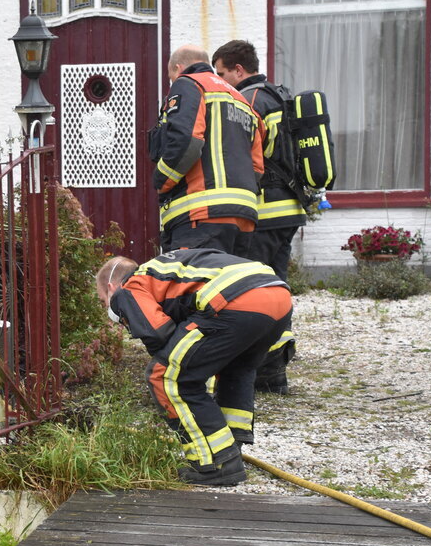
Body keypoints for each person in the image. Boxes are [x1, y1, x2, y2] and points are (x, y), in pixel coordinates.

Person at [95, 248, 292, 486]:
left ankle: (215, 464)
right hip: (277, 296)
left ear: (111, 287)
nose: (106, 307)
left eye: (102, 300)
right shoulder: (166, 270)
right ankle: (231, 447)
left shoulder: (129, 288)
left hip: (234, 300)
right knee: (235, 369)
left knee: (167, 376)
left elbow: (157, 334)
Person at [211, 40, 303, 395]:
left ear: (238, 70)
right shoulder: (278, 96)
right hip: (290, 208)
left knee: (256, 292)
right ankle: (275, 370)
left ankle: (264, 371)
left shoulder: (247, 101)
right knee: (277, 287)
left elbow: (245, 157)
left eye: (222, 74)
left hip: (264, 211)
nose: (220, 81)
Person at [148, 45, 264, 255]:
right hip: (243, 216)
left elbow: (187, 140)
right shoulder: (241, 99)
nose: (172, 83)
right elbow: (256, 165)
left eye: (171, 77)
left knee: (194, 284)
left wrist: (161, 181)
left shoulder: (188, 84)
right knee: (231, 286)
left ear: (178, 68)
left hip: (201, 215)